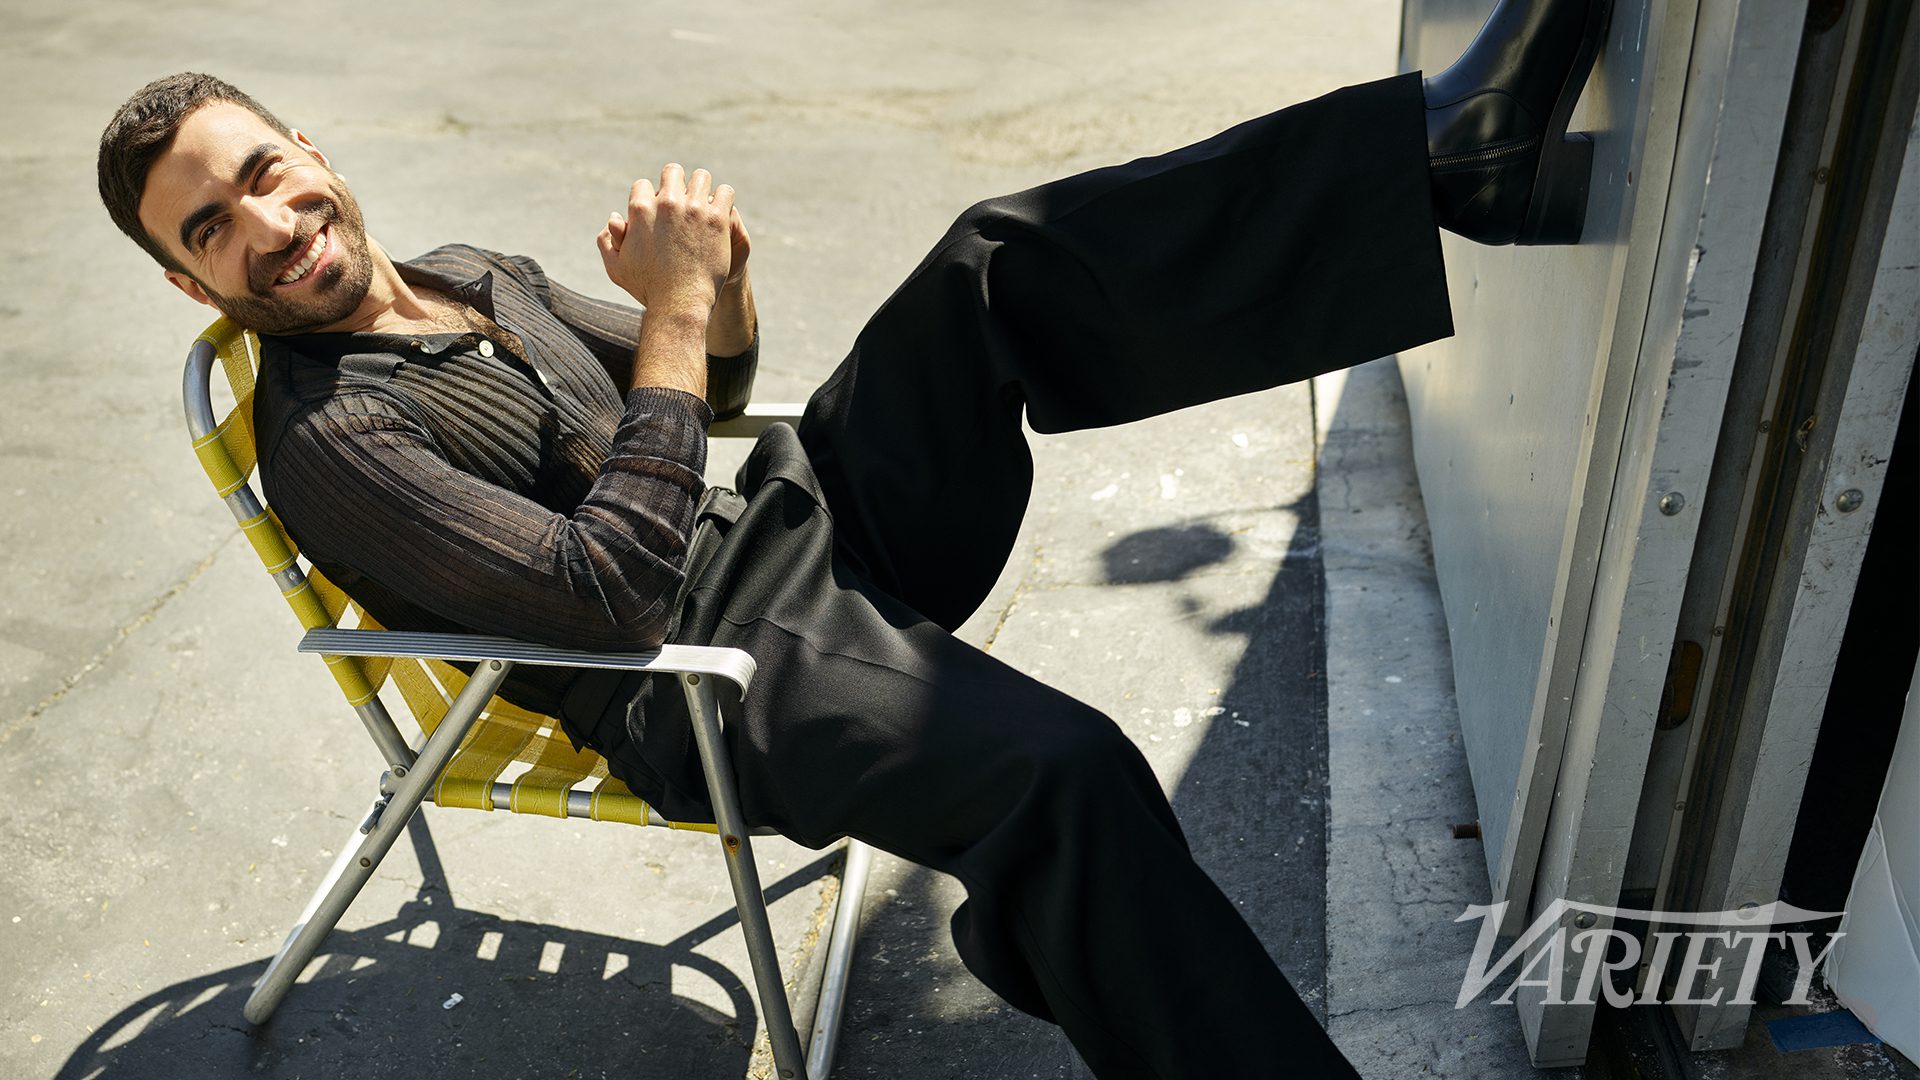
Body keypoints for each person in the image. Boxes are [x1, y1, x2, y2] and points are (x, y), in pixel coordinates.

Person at [98, 1, 1610, 1074]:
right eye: (210, 229)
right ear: (188, 281)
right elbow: (607, 590)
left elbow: (705, 390)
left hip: (769, 532)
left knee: (988, 266)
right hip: (693, 676)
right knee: (1064, 773)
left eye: (260, 175)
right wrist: (674, 315)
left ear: (308, 148)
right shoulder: (331, 440)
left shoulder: (468, 273)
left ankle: (1437, 158)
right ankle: (1055, 919)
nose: (268, 227)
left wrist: (720, 289)